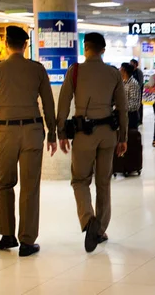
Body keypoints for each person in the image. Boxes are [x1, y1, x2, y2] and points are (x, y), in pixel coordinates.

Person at [0, 26, 57, 258]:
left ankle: (7, 235)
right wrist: (52, 132)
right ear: (25, 46)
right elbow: (48, 104)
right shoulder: (37, 69)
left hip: (6, 132)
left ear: (6, 44)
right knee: (30, 186)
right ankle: (27, 241)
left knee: (5, 183)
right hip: (33, 131)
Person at [57, 33, 128, 253]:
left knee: (80, 180)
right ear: (103, 50)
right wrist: (123, 137)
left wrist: (60, 132)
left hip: (83, 135)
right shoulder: (114, 73)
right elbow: (123, 108)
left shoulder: (75, 71)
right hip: (108, 135)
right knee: (104, 182)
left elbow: (63, 103)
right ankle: (100, 230)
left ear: (85, 48)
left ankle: (88, 220)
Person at [120, 63, 141, 130]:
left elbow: (134, 104)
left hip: (131, 116)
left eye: (120, 69)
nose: (119, 71)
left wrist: (121, 107)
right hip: (125, 114)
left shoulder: (133, 83)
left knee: (131, 137)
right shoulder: (124, 82)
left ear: (124, 71)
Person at [130, 59, 144, 125]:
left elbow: (141, 82)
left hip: (138, 91)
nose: (130, 64)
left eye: (131, 63)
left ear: (135, 64)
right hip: (132, 91)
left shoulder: (139, 72)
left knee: (139, 106)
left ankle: (139, 120)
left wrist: (137, 89)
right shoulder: (131, 71)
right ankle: (135, 119)